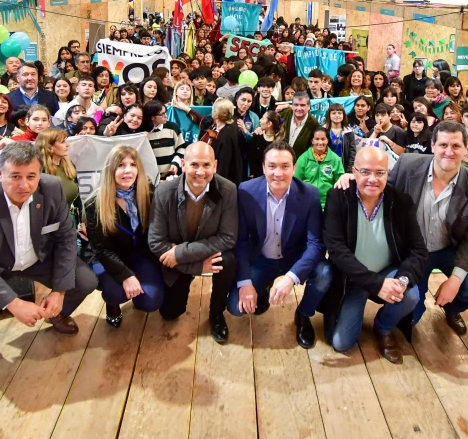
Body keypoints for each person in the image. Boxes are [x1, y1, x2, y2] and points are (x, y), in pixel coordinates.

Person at [0, 141, 98, 387]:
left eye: (31, 176)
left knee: (85, 280)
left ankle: (56, 313)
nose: (24, 185)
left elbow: (65, 239)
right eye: (15, 176)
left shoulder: (51, 188)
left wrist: (59, 292)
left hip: (36, 257)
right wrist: (14, 303)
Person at [318, 145, 427, 362]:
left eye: (380, 172)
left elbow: (418, 251)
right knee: (340, 343)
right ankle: (341, 312)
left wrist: (402, 280)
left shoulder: (401, 202)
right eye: (365, 172)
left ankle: (384, 327)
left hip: (389, 271)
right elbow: (337, 251)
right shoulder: (338, 198)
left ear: (388, 173)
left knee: (410, 294)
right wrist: (376, 284)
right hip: (353, 278)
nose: (372, 179)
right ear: (354, 172)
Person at [382, 121, 468, 335]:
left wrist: (455, 281)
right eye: (443, 145)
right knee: (410, 317)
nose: (449, 152)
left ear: (465, 149)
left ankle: (451, 307)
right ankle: (413, 307)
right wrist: (353, 177)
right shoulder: (407, 164)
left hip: (450, 249)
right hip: (413, 251)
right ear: (432, 146)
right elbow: (380, 189)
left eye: (456, 146)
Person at [231, 142, 326, 347]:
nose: (278, 173)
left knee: (325, 273)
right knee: (236, 307)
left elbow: (316, 244)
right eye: (272, 166)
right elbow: (240, 240)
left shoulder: (310, 194)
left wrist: (292, 278)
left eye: (285, 166)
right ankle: (261, 288)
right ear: (263, 167)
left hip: (295, 259)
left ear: (294, 167)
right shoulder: (246, 191)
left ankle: (303, 314)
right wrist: (245, 282)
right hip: (261, 259)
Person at [146, 143, 239, 343]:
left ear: (215, 165)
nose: (200, 171)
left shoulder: (228, 190)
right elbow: (156, 242)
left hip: (185, 253)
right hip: (178, 261)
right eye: (194, 164)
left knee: (228, 260)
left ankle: (217, 313)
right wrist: (197, 266)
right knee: (170, 313)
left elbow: (228, 237)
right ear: (183, 164)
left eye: (206, 165)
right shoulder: (163, 192)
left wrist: (180, 253)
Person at [85, 144, 162, 327]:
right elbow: (101, 249)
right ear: (111, 169)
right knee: (115, 292)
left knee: (151, 302)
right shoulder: (94, 203)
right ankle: (112, 304)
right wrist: (126, 276)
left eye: (133, 164)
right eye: (121, 165)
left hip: (137, 253)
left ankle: (137, 292)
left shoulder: (148, 193)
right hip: (106, 256)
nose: (128, 170)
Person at [295, 126, 343, 206]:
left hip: (329, 203)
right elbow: (296, 182)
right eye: (317, 139)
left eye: (323, 139)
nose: (320, 142)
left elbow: (340, 183)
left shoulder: (335, 159)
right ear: (312, 141)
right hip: (307, 203)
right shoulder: (303, 158)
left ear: (327, 140)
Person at [278, 91, 319, 158]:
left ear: (308, 106)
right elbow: (270, 123)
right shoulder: (284, 114)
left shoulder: (314, 124)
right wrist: (260, 128)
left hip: (301, 164)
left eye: (302, 105)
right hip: (280, 160)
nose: (299, 108)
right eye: (296, 105)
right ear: (292, 105)